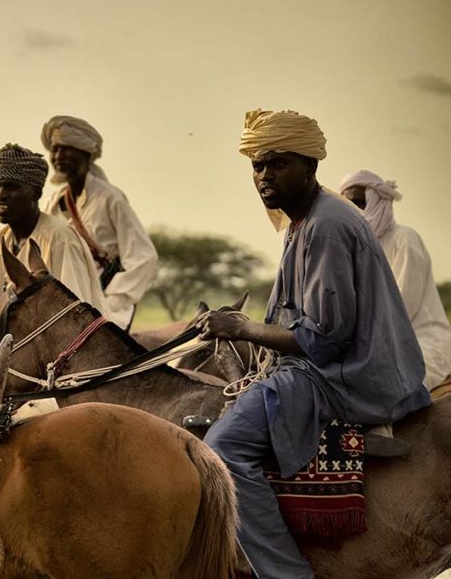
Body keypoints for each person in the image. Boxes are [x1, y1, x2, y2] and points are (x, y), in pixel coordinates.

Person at [197, 109, 431, 578]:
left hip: (344, 375)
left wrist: (241, 329)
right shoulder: (303, 220)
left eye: (278, 163)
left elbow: (322, 340)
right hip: (330, 365)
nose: (264, 176)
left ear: (310, 166)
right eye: (257, 166)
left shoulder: (326, 225)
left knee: (222, 449)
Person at [0, 143, 108, 338]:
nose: (0, 196)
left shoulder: (60, 238)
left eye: (11, 187)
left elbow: (72, 316)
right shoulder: (0, 240)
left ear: (36, 193)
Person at [40, 115, 158, 328]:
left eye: (66, 148)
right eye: (55, 149)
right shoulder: (52, 203)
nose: (58, 155)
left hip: (106, 308)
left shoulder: (110, 198)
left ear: (86, 154)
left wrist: (110, 300)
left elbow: (143, 257)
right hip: (63, 308)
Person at [338, 170, 451, 389]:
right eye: (347, 205)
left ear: (377, 201)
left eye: (359, 203)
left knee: (381, 384)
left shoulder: (404, 239)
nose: (354, 211)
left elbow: (400, 308)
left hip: (422, 342)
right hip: (371, 345)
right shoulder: (349, 248)